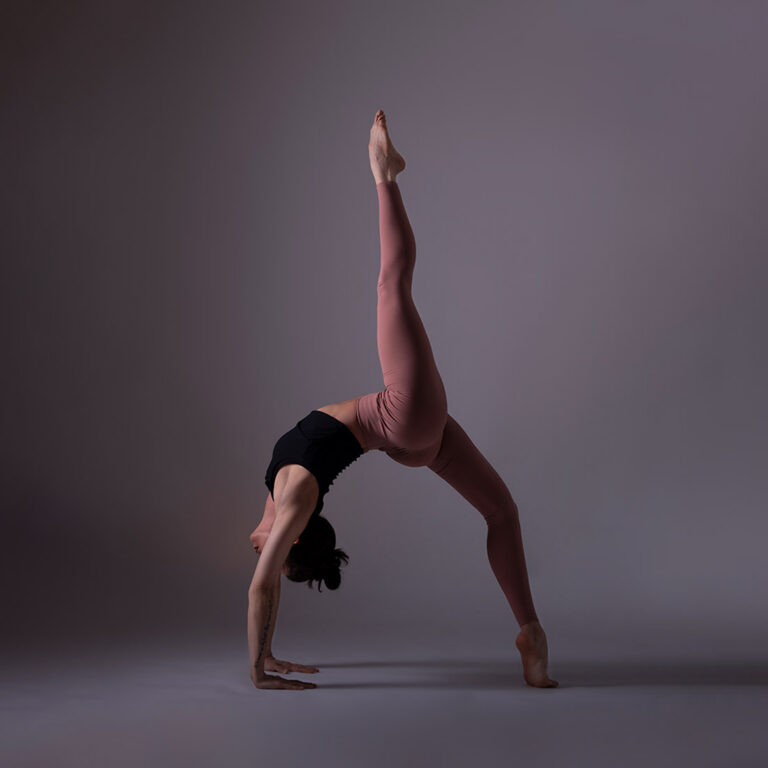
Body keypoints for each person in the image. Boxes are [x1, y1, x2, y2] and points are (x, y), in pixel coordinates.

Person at [248, 110, 558, 690]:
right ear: (292, 538)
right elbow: (261, 586)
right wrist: (257, 670)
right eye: (273, 549)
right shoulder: (293, 498)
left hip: (405, 439)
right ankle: (384, 174)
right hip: (402, 414)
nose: (254, 542)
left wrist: (269, 656)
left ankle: (531, 633)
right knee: (392, 284)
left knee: (501, 512)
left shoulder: (279, 494)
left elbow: (265, 568)